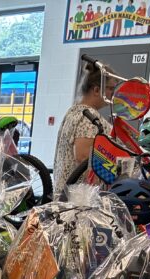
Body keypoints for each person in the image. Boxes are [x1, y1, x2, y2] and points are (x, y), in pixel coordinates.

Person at [53, 59, 118, 191]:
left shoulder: (75, 110)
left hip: (69, 192)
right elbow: (83, 157)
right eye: (111, 88)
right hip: (79, 196)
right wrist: (117, 172)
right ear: (96, 90)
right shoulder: (89, 117)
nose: (113, 94)